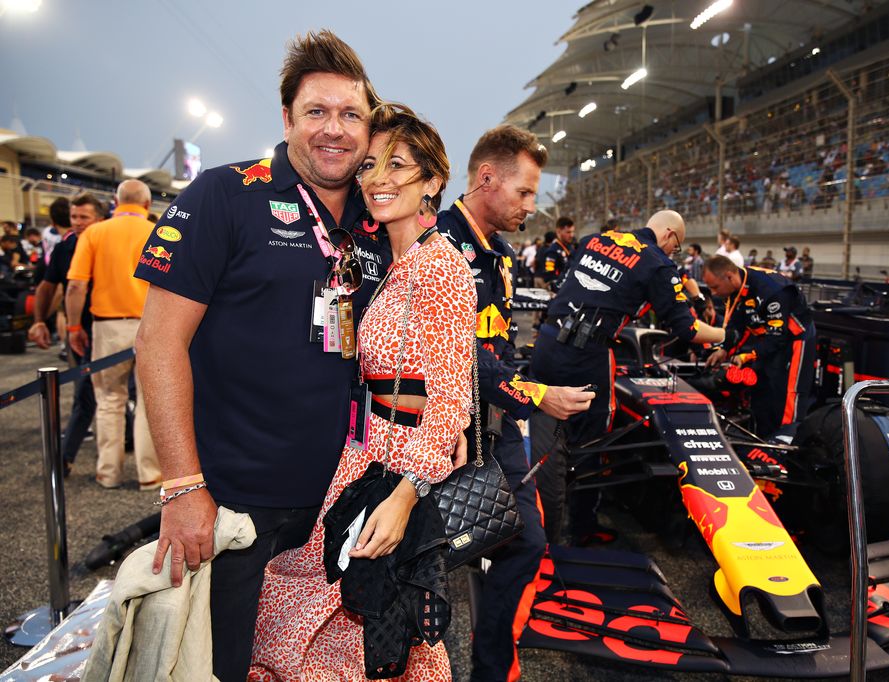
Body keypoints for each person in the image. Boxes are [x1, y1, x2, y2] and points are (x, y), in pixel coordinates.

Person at [134, 31, 392, 681]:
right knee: (221, 667)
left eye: (351, 115)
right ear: (286, 119)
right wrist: (183, 486)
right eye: (317, 112)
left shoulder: (376, 221)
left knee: (315, 666)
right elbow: (158, 343)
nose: (334, 130)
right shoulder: (225, 195)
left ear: (368, 126)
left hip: (339, 504)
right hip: (232, 504)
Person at [250, 103, 475, 680]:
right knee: (350, 622)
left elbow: (449, 396)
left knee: (360, 617)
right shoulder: (403, 262)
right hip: (367, 453)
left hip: (396, 470)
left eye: (398, 166)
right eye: (371, 165)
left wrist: (405, 494)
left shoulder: (439, 267)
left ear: (433, 180)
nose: (378, 180)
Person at [437, 125, 594, 682]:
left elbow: (493, 347)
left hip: (494, 422)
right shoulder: (438, 244)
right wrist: (538, 396)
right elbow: (460, 356)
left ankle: (491, 666)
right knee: (427, 560)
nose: (534, 205)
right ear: (486, 179)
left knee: (525, 540)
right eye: (525, 192)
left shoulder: (497, 252)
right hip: (440, 432)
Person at [530, 211, 725, 546]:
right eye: (675, 247)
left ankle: (537, 521)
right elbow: (687, 329)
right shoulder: (656, 263)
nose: (672, 254)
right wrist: (724, 334)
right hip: (586, 356)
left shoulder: (597, 239)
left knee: (545, 434)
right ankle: (582, 528)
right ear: (669, 235)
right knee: (592, 442)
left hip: (547, 343)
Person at [65, 180, 160, 490]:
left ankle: (109, 472)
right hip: (152, 324)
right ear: (146, 205)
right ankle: (150, 474)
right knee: (151, 402)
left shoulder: (95, 232)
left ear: (116, 203)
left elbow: (76, 285)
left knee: (108, 399)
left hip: (106, 326)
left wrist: (73, 326)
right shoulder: (157, 231)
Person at [28, 193, 106, 474]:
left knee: (116, 393)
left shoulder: (106, 241)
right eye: (74, 217)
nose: (77, 222)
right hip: (82, 332)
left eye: (84, 217)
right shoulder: (65, 248)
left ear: (100, 217)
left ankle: (66, 457)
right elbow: (48, 286)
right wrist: (39, 320)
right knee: (87, 394)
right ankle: (64, 459)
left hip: (107, 327)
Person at [703, 255, 816, 441]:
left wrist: (746, 355)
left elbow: (777, 337)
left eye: (715, 287)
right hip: (766, 337)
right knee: (762, 386)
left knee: (790, 392)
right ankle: (762, 436)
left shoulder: (771, 291)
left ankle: (787, 440)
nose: (713, 293)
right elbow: (735, 325)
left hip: (796, 338)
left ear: (730, 276)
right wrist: (723, 349)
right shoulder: (735, 291)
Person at [540, 215, 575, 290]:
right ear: (558, 231)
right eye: (568, 232)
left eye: (572, 232)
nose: (571, 235)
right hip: (560, 290)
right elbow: (548, 275)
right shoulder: (552, 250)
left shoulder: (571, 247)